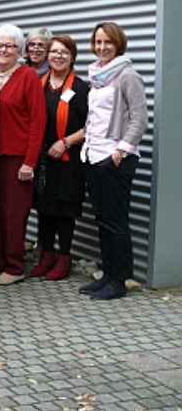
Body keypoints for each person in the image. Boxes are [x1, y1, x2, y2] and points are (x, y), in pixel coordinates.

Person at [80, 22, 148, 300]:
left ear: (118, 43)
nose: (102, 47)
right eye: (97, 42)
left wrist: (120, 151)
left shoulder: (127, 75)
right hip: (93, 155)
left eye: (107, 42)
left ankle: (120, 280)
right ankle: (107, 274)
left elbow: (139, 118)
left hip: (115, 158)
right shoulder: (96, 75)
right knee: (103, 219)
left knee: (116, 222)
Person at [0, 24, 46, 286]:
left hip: (17, 157)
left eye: (10, 46)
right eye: (0, 45)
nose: (3, 50)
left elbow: (38, 122)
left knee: (14, 214)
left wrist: (30, 161)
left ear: (20, 50)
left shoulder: (28, 76)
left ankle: (14, 266)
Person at [32, 36, 89, 281]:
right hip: (44, 159)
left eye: (64, 52)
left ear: (72, 57)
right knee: (45, 209)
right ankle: (46, 255)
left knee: (65, 210)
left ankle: (64, 257)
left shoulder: (80, 88)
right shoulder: (39, 84)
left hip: (69, 159)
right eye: (54, 51)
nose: (58, 56)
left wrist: (65, 141)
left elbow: (92, 126)